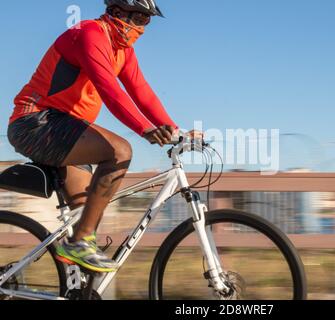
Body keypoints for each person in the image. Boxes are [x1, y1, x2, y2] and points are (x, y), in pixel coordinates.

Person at [7, 0, 197, 273]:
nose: (143, 28)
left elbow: (141, 91)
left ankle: (77, 275)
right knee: (120, 151)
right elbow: (109, 89)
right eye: (140, 19)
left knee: (85, 213)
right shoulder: (90, 34)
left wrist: (175, 130)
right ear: (118, 13)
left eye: (148, 21)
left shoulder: (124, 51)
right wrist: (145, 129)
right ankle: (79, 244)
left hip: (66, 129)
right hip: (35, 122)